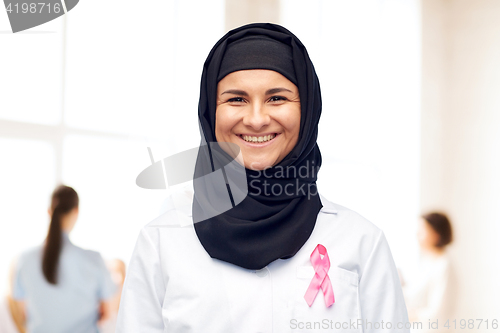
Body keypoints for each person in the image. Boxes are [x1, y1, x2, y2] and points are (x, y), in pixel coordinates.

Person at [117, 23, 410, 332]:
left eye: (277, 98)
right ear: (209, 113)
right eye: (236, 99)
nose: (256, 119)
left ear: (307, 110)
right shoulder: (162, 242)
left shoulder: (361, 242)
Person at [12, 185, 116, 333]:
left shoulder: (25, 259)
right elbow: (107, 312)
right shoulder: (93, 260)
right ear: (76, 211)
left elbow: (22, 313)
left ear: (49, 212)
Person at [403, 212, 456, 332]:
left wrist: (410, 314)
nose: (417, 235)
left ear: (436, 234)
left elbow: (438, 312)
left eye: (422, 231)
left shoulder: (444, 266)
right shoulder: (425, 263)